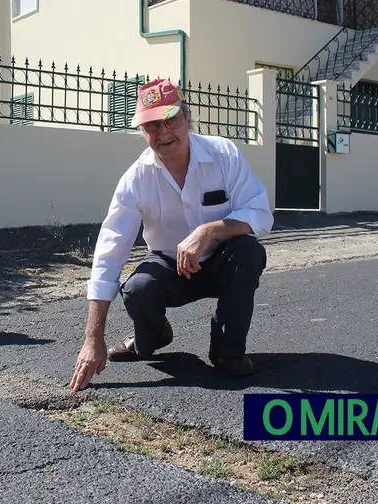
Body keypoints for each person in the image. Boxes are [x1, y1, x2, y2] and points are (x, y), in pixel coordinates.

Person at [69, 79, 273, 392]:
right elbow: (110, 251)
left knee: (248, 251)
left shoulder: (224, 154)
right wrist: (92, 339)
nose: (163, 133)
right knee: (137, 289)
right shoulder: (136, 179)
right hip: (169, 266)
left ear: (187, 118)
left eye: (171, 120)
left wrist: (209, 230)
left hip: (222, 261)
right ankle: (152, 335)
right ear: (142, 132)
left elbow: (259, 213)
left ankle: (226, 351)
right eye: (152, 126)